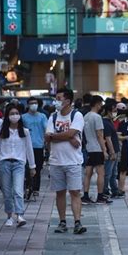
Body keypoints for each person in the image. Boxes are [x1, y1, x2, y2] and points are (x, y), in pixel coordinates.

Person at [45, 88, 86, 234]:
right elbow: (47, 137)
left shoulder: (77, 115)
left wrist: (57, 135)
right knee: (60, 193)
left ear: (67, 101)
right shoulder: (53, 117)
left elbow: (71, 132)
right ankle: (62, 222)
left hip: (73, 161)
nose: (56, 101)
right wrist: (68, 137)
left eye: (58, 98)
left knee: (75, 192)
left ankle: (77, 222)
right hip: (56, 161)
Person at [0, 104, 36, 227]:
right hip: (4, 164)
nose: (15, 116)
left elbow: (29, 149)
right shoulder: (1, 131)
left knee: (18, 190)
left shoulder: (25, 132)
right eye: (12, 114)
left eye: (16, 113)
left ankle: (19, 215)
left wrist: (32, 166)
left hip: (19, 163)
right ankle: (9, 216)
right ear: (7, 116)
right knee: (7, 192)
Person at [81, 95, 111, 205]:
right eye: (101, 104)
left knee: (88, 173)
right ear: (98, 103)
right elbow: (99, 135)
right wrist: (104, 150)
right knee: (101, 173)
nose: (102, 106)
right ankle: (99, 196)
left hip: (89, 147)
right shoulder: (97, 117)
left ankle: (85, 195)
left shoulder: (86, 117)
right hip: (97, 148)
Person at [22, 96, 47, 197]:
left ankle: (36, 188)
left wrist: (46, 143)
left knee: (38, 167)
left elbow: (46, 130)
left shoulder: (42, 116)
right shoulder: (23, 117)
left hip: (39, 146)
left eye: (35, 103)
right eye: (32, 103)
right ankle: (28, 186)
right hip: (26, 146)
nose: (34, 105)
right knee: (27, 167)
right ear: (28, 105)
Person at [102, 101, 122, 199]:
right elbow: (107, 138)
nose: (116, 112)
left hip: (115, 149)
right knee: (108, 172)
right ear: (108, 111)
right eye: (114, 110)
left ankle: (114, 190)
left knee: (114, 172)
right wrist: (112, 152)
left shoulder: (110, 121)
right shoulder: (105, 122)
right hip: (112, 151)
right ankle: (105, 190)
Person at [117, 106, 128, 197]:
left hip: (125, 148)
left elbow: (119, 136)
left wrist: (125, 138)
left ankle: (121, 189)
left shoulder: (122, 123)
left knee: (122, 170)